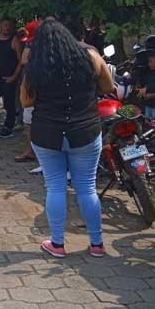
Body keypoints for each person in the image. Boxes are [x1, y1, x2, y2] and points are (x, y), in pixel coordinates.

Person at [21, 20, 114, 258]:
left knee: (55, 187)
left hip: (48, 133)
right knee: (87, 187)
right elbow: (108, 86)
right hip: (85, 131)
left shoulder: (36, 65)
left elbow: (26, 102)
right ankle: (96, 244)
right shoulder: (90, 57)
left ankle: (58, 244)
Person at [15, 20, 42, 163]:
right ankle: (33, 151)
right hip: (36, 87)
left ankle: (33, 151)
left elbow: (24, 60)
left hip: (35, 87)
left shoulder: (34, 45)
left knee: (30, 119)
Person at [136, 51, 155, 119]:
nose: (149, 64)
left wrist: (151, 95)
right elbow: (150, 83)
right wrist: (145, 88)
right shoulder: (150, 72)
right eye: (148, 62)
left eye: (151, 62)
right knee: (148, 123)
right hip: (148, 105)